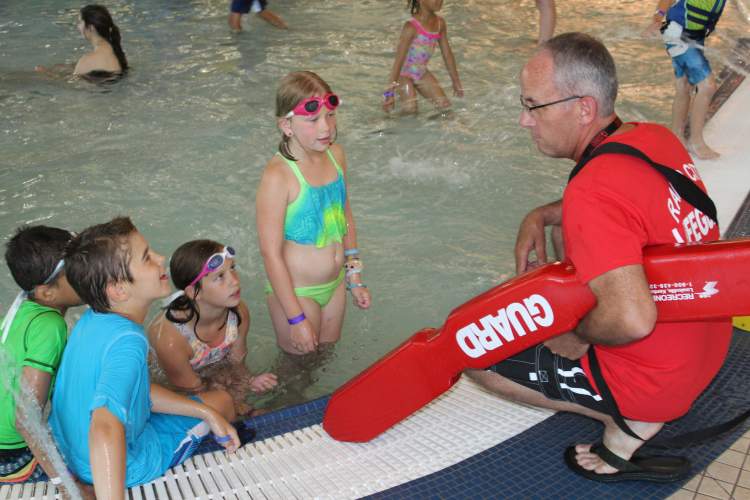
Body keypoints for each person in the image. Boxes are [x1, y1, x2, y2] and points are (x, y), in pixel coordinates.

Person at [466, 32, 731, 483]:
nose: (524, 120)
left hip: (660, 380)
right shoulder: (652, 138)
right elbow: (627, 205)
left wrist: (575, 337)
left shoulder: (592, 190)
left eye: (533, 105)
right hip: (708, 344)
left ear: (583, 108)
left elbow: (630, 320)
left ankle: (629, 420)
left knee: (475, 350)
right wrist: (543, 214)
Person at [49, 217, 242, 496]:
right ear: (118, 289)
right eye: (147, 258)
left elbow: (130, 389)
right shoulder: (129, 342)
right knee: (224, 402)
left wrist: (203, 411)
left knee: (210, 409)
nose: (161, 258)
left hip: (69, 451)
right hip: (123, 464)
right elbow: (104, 425)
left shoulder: (93, 319)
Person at [256, 71, 371, 355]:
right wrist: (295, 318)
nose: (326, 128)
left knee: (324, 358)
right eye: (313, 120)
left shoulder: (336, 155)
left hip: (333, 287)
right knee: (297, 369)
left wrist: (353, 277)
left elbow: (345, 217)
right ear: (286, 125)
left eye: (330, 115)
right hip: (297, 294)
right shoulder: (279, 176)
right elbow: (270, 253)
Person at [0, 226, 84, 497]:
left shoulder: (22, 308)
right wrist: (67, 486)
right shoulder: (50, 326)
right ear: (47, 292)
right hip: (9, 455)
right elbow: (26, 421)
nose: (88, 273)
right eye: (76, 271)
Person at [148, 240, 278, 416]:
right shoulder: (170, 338)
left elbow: (237, 361)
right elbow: (191, 390)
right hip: (174, 385)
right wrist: (237, 406)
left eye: (233, 268)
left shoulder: (238, 313)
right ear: (194, 292)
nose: (234, 281)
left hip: (212, 370)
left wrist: (249, 382)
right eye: (220, 277)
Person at [644, 0, 726, 160]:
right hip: (678, 34)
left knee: (684, 86)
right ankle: (696, 142)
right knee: (707, 86)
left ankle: (676, 137)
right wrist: (657, 18)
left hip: (694, 36)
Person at [383, 0, 463, 114]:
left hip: (420, 72)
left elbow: (447, 54)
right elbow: (398, 62)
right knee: (410, 110)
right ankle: (387, 127)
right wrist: (389, 92)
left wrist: (456, 81)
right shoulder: (411, 27)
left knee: (445, 107)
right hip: (403, 74)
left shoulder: (440, 24)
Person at [36, 5, 128, 80]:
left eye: (80, 22)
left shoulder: (88, 60)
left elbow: (72, 86)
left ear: (91, 28)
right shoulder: (117, 54)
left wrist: (47, 74)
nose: (78, 27)